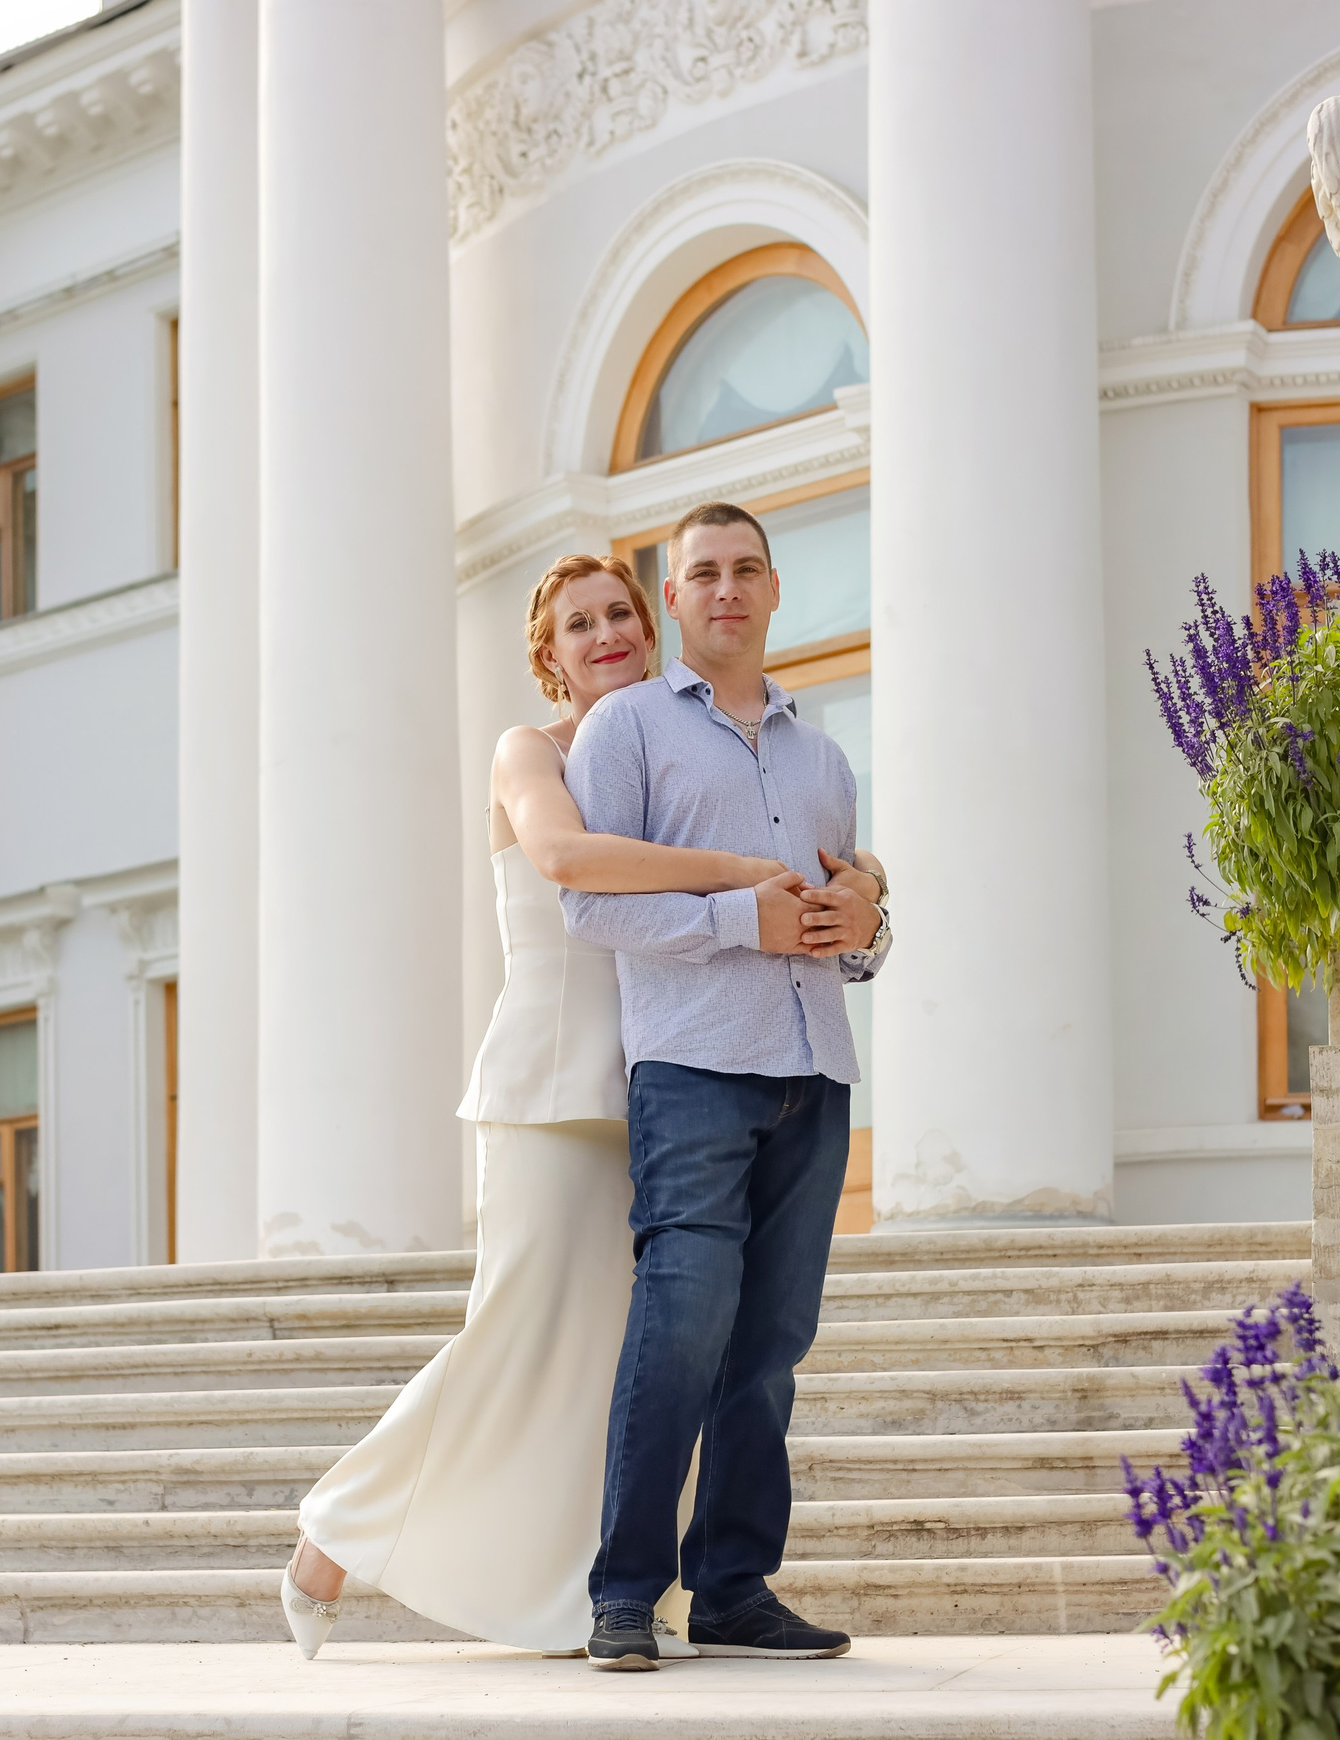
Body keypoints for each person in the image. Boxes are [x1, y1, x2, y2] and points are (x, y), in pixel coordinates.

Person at [278, 551, 882, 1658]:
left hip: (672, 1083)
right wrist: (735, 870)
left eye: (619, 615)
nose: (605, 634)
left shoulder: (667, 746)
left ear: (648, 634)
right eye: (579, 625)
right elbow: (564, 857)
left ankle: (587, 1589)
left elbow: (818, 835)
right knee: (512, 1333)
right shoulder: (531, 752)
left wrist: (867, 877)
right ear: (548, 656)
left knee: (628, 1356)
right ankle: (337, 1530)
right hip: (552, 1092)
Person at [560, 500, 890, 1670]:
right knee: (682, 1324)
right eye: (703, 573)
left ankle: (736, 1586)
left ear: (774, 589)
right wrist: (731, 920)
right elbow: (591, 902)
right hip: (693, 1069)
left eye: (747, 569)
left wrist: (868, 928)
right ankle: (623, 1593)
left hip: (814, 1069)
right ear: (673, 596)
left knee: (770, 1345)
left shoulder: (823, 755)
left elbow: (849, 923)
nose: (727, 591)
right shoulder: (627, 730)